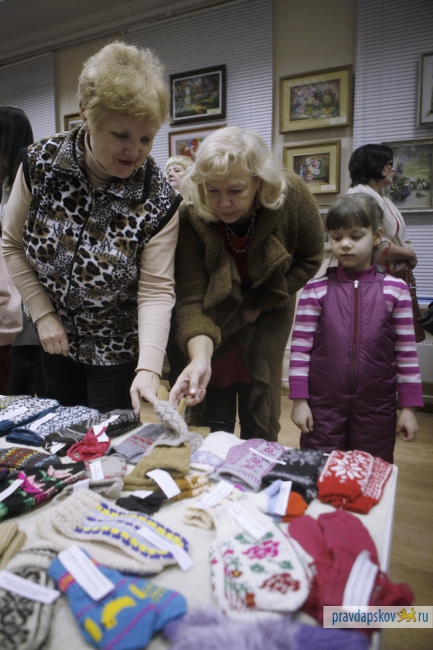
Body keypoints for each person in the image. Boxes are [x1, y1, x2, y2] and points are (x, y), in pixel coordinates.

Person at [2, 42, 181, 413]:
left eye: (146, 139)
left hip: (116, 348)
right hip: (54, 339)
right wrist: (43, 314)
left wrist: (149, 367)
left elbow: (156, 291)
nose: (135, 152)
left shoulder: (159, 198)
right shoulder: (40, 165)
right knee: (59, 431)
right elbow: (12, 245)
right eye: (121, 135)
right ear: (86, 115)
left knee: (108, 438)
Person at [169, 126, 324, 441]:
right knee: (212, 414)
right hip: (213, 323)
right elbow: (192, 298)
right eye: (212, 191)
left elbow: (310, 259)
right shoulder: (191, 213)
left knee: (260, 413)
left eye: (235, 190)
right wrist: (200, 357)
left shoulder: (291, 195)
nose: (223, 203)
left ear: (259, 182)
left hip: (268, 319)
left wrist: (259, 305)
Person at [289, 193, 423, 463]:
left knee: (369, 471)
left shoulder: (396, 291)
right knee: (319, 470)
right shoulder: (315, 290)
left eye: (355, 236)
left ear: (376, 236)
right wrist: (299, 401)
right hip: (323, 407)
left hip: (376, 409)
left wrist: (409, 408)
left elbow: (406, 354)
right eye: (337, 237)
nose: (345, 244)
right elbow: (300, 352)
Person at [0, 105, 45, 397]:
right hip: (9, 315)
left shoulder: (29, 186)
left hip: (27, 316)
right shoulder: (5, 188)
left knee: (20, 397)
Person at [347, 143, 417, 274]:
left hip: (389, 271)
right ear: (374, 165)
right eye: (389, 163)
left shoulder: (382, 198)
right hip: (370, 273)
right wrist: (409, 255)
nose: (393, 169)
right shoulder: (357, 197)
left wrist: (404, 258)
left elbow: (400, 236)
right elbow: (371, 242)